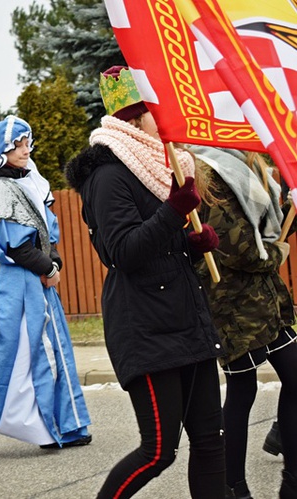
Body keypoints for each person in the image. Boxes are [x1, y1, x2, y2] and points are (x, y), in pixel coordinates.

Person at [63, 66, 225, 498]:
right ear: (136, 118)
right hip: (146, 329)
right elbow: (124, 252)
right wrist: (173, 212)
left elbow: (159, 249)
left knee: (211, 439)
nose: (165, 119)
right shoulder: (109, 175)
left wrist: (192, 245)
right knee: (159, 451)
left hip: (185, 319)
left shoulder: (157, 166)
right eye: (156, 111)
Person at [0, 115, 91, 452]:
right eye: (17, 143)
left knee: (51, 349)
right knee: (9, 354)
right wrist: (48, 268)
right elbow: (15, 245)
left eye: (27, 143)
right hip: (13, 282)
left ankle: (64, 425)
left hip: (35, 279)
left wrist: (54, 262)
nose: (24, 149)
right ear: (3, 148)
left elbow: (46, 237)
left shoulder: (27, 182)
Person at [189, 146, 297, 499]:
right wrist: (276, 253)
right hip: (232, 306)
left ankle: (292, 479)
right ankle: (233, 484)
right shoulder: (209, 172)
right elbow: (237, 245)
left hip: (263, 300)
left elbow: (263, 224)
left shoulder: (242, 164)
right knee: (242, 391)